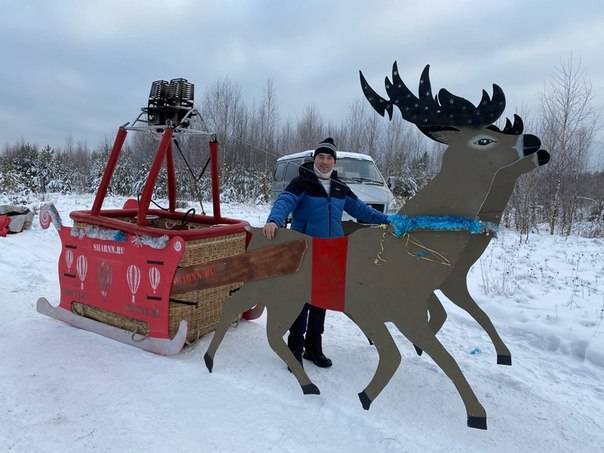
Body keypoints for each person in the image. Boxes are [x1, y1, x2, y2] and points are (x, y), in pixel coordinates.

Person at [263, 137, 390, 368]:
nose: (324, 161)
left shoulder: (340, 188)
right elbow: (285, 201)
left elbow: (362, 211)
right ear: (315, 159)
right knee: (300, 301)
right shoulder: (302, 183)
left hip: (330, 254)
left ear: (334, 161)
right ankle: (294, 349)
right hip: (304, 251)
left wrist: (388, 220)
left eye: (329, 157)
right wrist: (274, 220)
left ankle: (313, 347)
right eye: (320, 157)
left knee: (321, 300)